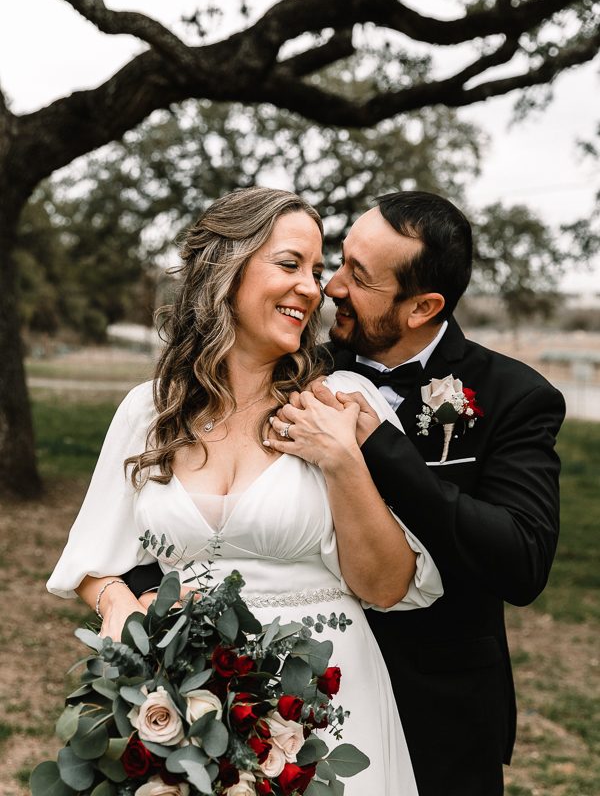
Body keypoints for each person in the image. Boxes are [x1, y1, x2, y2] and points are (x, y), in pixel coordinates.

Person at [47, 186, 444, 795]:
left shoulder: (343, 405)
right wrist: (121, 608)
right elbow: (91, 564)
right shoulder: (149, 412)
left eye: (316, 271)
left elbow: (387, 586)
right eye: (291, 265)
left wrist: (340, 459)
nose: (312, 288)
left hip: (323, 703)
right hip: (188, 699)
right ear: (224, 269)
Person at [264, 191, 566, 796]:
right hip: (302, 706)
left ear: (423, 306)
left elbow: (521, 562)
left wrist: (379, 446)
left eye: (359, 277)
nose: (332, 288)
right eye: (340, 262)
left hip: (439, 716)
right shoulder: (292, 375)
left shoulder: (514, 395)